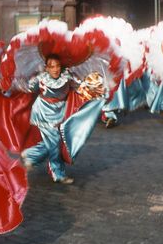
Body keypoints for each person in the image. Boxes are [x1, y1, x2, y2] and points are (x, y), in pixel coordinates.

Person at [19, 54, 104, 184]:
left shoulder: (68, 78)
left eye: (58, 66)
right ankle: (56, 172)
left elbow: (80, 88)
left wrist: (95, 86)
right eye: (52, 67)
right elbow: (26, 89)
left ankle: (31, 154)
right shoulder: (40, 79)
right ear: (46, 68)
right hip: (43, 112)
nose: (55, 69)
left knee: (55, 142)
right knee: (54, 142)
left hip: (60, 112)